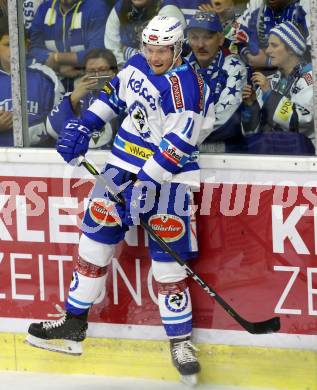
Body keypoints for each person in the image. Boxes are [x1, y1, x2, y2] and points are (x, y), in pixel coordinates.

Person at [26, 15, 215, 384]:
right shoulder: (138, 63)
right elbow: (113, 95)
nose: (155, 56)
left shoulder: (187, 88)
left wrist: (145, 183)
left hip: (168, 179)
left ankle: (180, 342)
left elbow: (178, 145)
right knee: (92, 245)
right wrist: (85, 124)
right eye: (150, 48)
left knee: (168, 268)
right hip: (120, 167)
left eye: (163, 50)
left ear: (178, 49)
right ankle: (74, 325)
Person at [241, 22, 314, 155]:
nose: (268, 51)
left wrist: (269, 94)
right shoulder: (271, 80)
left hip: (302, 164)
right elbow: (253, 132)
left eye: (274, 45)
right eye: (268, 45)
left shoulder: (310, 80)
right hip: (270, 158)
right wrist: (252, 105)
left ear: (291, 49)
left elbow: (300, 122)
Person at [186, 11, 247, 153]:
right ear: (188, 39)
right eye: (195, 37)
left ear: (220, 39)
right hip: (186, 147)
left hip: (227, 150)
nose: (201, 45)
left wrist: (182, 135)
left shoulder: (234, 67)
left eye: (208, 37)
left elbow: (224, 119)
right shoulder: (181, 67)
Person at [0, 17, 64, 147]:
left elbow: (61, 120)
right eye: (7, 45)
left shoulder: (47, 77)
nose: (14, 49)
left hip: (38, 158)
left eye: (18, 43)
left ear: (27, 45)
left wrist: (26, 128)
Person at [47, 48, 121, 150]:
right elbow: (52, 129)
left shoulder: (125, 93)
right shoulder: (76, 95)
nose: (97, 75)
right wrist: (73, 99)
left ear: (113, 71)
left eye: (102, 70)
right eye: (91, 71)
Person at [29, 0, 110, 90]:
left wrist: (57, 58)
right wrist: (59, 67)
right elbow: (33, 49)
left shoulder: (96, 6)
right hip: (53, 78)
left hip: (87, 78)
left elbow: (97, 51)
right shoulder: (43, 9)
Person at [104, 0, 186, 68]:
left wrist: (127, 52)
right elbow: (112, 48)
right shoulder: (121, 7)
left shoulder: (168, 9)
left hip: (167, 74)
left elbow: (160, 55)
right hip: (129, 71)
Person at [233, 0, 310, 68]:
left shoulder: (309, 6)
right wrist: (248, 54)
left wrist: (268, 61)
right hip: (260, 74)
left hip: (298, 75)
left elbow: (310, 55)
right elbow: (237, 37)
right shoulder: (257, 3)